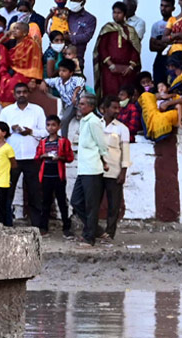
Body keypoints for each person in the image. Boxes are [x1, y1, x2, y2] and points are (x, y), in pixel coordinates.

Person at [0, 83, 47, 228]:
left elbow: (45, 132)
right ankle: (6, 223)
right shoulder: (7, 111)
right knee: (8, 191)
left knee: (34, 192)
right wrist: (12, 131)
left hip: (31, 157)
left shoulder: (37, 110)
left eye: (24, 92)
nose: (22, 95)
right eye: (19, 92)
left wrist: (31, 132)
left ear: (29, 93)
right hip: (11, 158)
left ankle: (38, 226)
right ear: (14, 94)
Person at [71, 93, 108, 245]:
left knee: (91, 205)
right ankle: (95, 229)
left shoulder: (93, 122)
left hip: (92, 169)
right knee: (76, 201)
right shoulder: (84, 121)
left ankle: (89, 237)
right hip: (83, 169)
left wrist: (105, 161)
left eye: (83, 104)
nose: (80, 106)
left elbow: (102, 144)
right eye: (80, 104)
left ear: (91, 107)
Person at [140, 52, 182, 140]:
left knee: (164, 116)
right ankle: (151, 126)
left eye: (169, 67)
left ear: (173, 66)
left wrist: (168, 103)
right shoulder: (176, 78)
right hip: (173, 104)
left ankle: (157, 129)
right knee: (147, 97)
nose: (168, 69)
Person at [35, 114, 74, 237]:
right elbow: (37, 157)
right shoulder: (42, 142)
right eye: (48, 125)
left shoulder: (63, 141)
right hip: (46, 176)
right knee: (45, 202)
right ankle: (43, 227)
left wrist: (60, 158)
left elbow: (70, 157)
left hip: (58, 176)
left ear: (59, 126)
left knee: (62, 202)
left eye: (53, 125)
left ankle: (66, 227)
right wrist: (43, 156)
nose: (50, 128)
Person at [99, 96, 132, 242]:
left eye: (118, 108)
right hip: (96, 171)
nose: (117, 111)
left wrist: (123, 172)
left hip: (114, 172)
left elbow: (125, 152)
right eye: (114, 108)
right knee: (93, 203)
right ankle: (95, 230)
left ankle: (110, 233)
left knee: (114, 205)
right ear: (104, 109)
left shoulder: (122, 128)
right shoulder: (95, 125)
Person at [93, 1, 141, 98]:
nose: (116, 15)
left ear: (124, 14)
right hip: (110, 70)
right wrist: (111, 65)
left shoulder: (131, 30)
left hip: (126, 70)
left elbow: (135, 49)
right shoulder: (107, 29)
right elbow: (102, 48)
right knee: (110, 95)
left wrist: (131, 67)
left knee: (126, 95)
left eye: (119, 13)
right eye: (114, 12)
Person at [45, 59, 85, 140]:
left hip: (76, 104)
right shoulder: (57, 81)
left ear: (71, 73)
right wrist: (43, 83)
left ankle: (64, 139)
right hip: (67, 104)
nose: (61, 73)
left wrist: (74, 94)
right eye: (60, 70)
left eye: (64, 71)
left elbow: (81, 83)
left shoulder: (75, 79)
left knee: (64, 119)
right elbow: (46, 81)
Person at [66, 0, 97, 76]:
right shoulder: (65, 14)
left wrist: (69, 38)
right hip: (61, 58)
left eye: (75, 0)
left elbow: (86, 36)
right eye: (71, 0)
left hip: (77, 59)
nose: (72, 3)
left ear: (83, 2)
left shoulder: (90, 19)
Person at [149, 0, 175, 86]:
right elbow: (151, 47)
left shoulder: (176, 23)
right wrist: (166, 44)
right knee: (159, 85)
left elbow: (176, 43)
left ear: (173, 8)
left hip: (173, 59)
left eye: (167, 6)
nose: (163, 8)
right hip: (160, 59)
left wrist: (159, 43)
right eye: (162, 5)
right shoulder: (156, 25)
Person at [0, 122, 16, 227]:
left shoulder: (7, 148)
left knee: (3, 205)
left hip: (3, 181)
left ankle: (6, 224)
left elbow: (13, 164)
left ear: (4, 133)